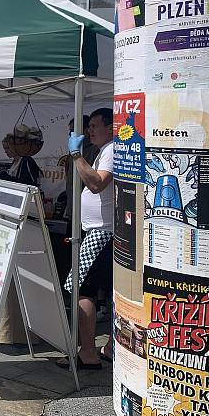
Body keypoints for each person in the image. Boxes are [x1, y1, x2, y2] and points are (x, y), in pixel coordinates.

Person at [57, 107, 114, 370]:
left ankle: (88, 352)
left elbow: (95, 183)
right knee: (103, 291)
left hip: (101, 231)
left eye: (94, 126)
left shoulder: (112, 150)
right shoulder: (106, 151)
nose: (89, 130)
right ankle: (109, 346)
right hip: (98, 229)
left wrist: (76, 154)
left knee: (82, 289)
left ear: (110, 127)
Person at [62, 116, 99, 232]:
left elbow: (94, 181)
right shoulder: (73, 150)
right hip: (72, 210)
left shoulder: (95, 150)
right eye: (70, 130)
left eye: (73, 130)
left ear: (85, 130)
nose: (70, 134)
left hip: (87, 214)